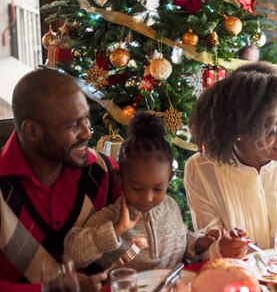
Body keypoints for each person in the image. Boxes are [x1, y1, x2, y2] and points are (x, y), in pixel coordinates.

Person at [184, 62, 277, 259]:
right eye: (271, 129)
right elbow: (207, 244)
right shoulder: (202, 170)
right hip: (240, 281)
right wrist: (220, 248)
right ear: (238, 131)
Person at [0, 69, 120, 292]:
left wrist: (201, 245)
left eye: (86, 119)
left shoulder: (103, 172)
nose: (87, 132)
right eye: (73, 124)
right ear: (32, 131)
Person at [64, 113, 216, 271]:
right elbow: (72, 253)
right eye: (137, 188)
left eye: (158, 189)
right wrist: (115, 230)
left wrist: (198, 243)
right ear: (119, 178)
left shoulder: (170, 206)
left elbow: (182, 237)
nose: (148, 198)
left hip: (174, 290)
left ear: (169, 178)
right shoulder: (108, 219)